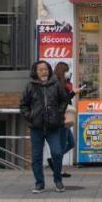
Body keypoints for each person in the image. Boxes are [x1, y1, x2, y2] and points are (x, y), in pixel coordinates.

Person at [18, 60, 70, 193]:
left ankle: (58, 180)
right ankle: (39, 183)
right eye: (40, 69)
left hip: (53, 126)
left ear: (49, 71)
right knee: (36, 157)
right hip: (36, 127)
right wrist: (30, 116)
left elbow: (64, 100)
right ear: (35, 71)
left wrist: (59, 113)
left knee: (57, 152)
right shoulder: (30, 86)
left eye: (46, 69)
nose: (43, 72)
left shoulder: (56, 84)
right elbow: (23, 105)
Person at [53, 61, 77, 179]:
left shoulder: (64, 83)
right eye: (66, 70)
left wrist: (71, 91)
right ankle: (58, 169)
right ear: (62, 71)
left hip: (65, 117)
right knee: (63, 145)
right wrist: (72, 93)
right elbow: (62, 100)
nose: (68, 73)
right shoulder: (56, 83)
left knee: (71, 142)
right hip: (62, 118)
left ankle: (55, 162)